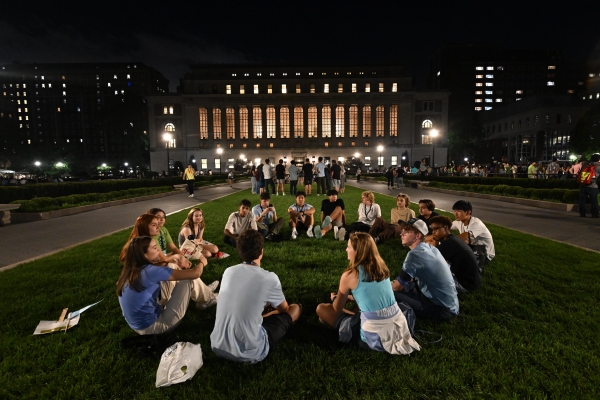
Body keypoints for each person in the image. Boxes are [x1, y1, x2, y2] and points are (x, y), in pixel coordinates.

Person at [316, 232, 420, 354]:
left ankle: (349, 323)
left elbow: (337, 307)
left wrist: (335, 298)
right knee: (361, 308)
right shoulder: (381, 267)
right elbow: (373, 295)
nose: (346, 249)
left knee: (322, 309)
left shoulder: (349, 275)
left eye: (349, 247)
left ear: (357, 251)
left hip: (374, 336)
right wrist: (351, 297)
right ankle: (355, 316)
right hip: (397, 326)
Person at [210, 230, 301, 363]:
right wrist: (270, 311)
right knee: (295, 308)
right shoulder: (269, 278)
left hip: (217, 346)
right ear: (261, 252)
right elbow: (284, 309)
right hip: (250, 352)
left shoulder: (228, 271)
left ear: (239, 251)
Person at [117, 236, 217, 335]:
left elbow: (164, 265)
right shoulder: (149, 272)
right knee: (187, 278)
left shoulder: (131, 270)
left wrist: (176, 261)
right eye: (155, 248)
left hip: (140, 325)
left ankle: (205, 292)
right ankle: (207, 299)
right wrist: (202, 263)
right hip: (158, 326)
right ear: (144, 255)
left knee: (171, 266)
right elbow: (195, 273)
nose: (159, 250)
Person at [392, 219, 459, 320]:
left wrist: (385, 285)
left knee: (388, 293)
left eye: (406, 232)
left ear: (418, 235)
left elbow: (397, 287)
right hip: (451, 305)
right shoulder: (430, 248)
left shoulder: (415, 255)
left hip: (441, 309)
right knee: (408, 284)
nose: (401, 234)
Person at [429, 216, 481, 292]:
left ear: (446, 228)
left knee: (427, 276)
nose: (433, 232)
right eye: (432, 229)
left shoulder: (447, 244)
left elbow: (430, 264)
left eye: (436, 229)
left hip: (464, 284)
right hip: (474, 281)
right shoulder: (453, 239)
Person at [120, 214, 189, 269]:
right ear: (144, 227)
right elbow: (162, 261)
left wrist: (182, 258)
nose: (158, 227)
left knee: (174, 258)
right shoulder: (143, 244)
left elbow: (161, 259)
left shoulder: (149, 239)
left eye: (158, 224)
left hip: (148, 271)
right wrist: (178, 257)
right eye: (154, 225)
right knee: (172, 264)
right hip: (142, 278)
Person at [451, 200, 495, 271]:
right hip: (472, 247)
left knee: (465, 270)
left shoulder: (476, 224)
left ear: (468, 212)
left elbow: (464, 237)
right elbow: (446, 227)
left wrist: (446, 243)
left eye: (459, 211)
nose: (455, 214)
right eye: (454, 211)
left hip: (483, 253)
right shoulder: (459, 222)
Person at [578, 153, 600, 218]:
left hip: (583, 185)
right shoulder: (598, 167)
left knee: (582, 199)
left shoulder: (585, 165)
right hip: (593, 186)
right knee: (593, 200)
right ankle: (594, 214)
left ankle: (582, 213)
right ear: (598, 159)